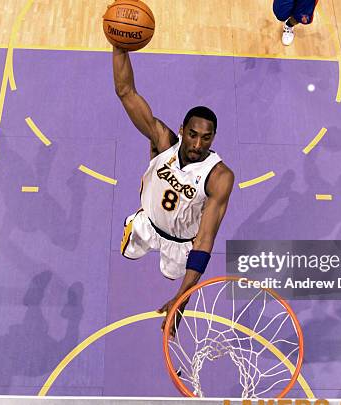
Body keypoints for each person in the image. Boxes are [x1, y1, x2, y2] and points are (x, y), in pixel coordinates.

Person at [112, 46, 234, 336]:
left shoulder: (219, 177)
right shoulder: (163, 140)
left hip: (181, 243)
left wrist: (182, 302)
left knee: (172, 275)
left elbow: (204, 240)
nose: (197, 144)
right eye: (192, 135)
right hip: (147, 223)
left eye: (206, 138)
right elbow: (126, 91)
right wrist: (118, 48)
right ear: (182, 130)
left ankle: (173, 276)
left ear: (213, 137)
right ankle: (139, 232)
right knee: (129, 252)